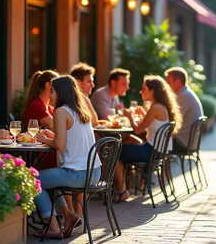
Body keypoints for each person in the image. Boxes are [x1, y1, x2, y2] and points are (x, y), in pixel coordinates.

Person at [35, 75, 101, 239]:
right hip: (95, 173)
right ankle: (69, 215)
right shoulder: (80, 111)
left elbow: (59, 145)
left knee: (32, 179)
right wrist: (54, 136)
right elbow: (70, 138)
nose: (49, 95)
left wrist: (43, 139)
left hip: (77, 175)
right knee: (52, 177)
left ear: (61, 92)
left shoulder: (60, 111)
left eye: (52, 91)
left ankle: (53, 227)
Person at [112, 75, 182, 203]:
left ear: (152, 91)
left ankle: (122, 191)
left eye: (143, 89)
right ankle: (125, 186)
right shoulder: (160, 106)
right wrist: (143, 114)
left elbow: (138, 130)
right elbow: (152, 125)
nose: (140, 92)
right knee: (128, 142)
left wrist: (129, 116)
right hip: (158, 151)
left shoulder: (156, 108)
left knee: (113, 152)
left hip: (150, 151)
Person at [165, 67, 203, 152]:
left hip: (183, 143)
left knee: (154, 143)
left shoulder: (183, 96)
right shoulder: (185, 93)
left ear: (178, 82)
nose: (166, 86)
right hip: (188, 142)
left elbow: (170, 120)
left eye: (168, 82)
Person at [69, 62, 98, 126]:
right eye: (89, 82)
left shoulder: (83, 99)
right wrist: (86, 100)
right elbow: (94, 122)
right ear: (78, 83)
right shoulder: (72, 101)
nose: (93, 85)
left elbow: (95, 122)